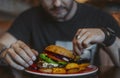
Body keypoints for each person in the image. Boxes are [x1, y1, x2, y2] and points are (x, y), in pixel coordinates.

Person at [0, 0, 120, 71]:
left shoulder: (101, 17)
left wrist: (109, 37)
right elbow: (2, 44)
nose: (57, 3)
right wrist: (5, 52)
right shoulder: (28, 17)